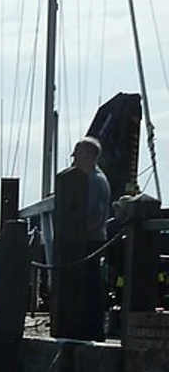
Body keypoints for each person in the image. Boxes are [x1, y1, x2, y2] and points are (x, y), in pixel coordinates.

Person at [72, 136, 112, 341]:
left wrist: (80, 232)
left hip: (90, 240)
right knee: (91, 284)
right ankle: (91, 327)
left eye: (78, 154)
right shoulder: (98, 178)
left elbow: (94, 214)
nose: (75, 160)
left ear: (88, 155)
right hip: (95, 238)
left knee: (91, 285)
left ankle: (93, 329)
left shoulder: (94, 181)